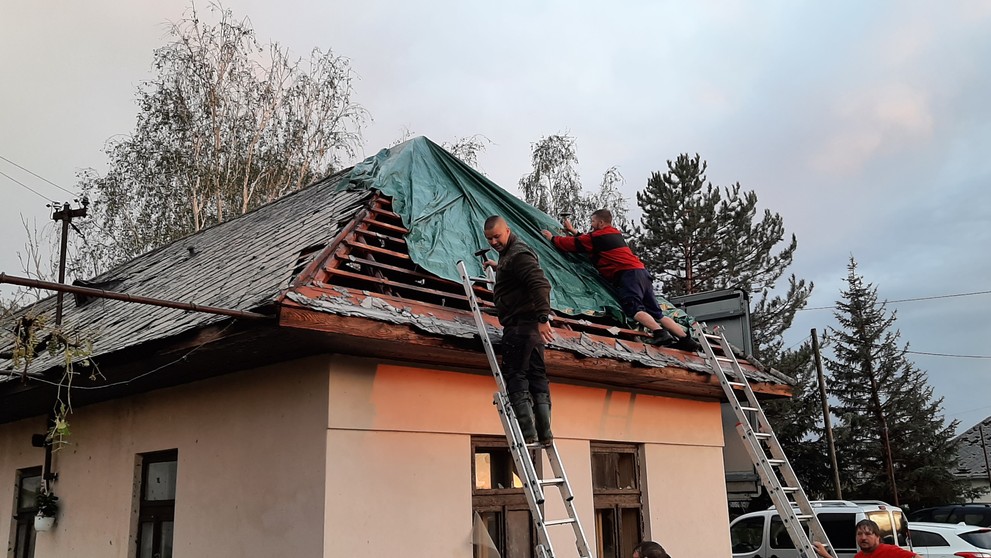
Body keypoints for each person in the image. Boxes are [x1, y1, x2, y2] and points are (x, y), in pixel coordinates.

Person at [541, 208, 700, 351]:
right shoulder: (613, 233)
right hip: (641, 273)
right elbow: (589, 241)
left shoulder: (598, 236)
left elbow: (573, 244)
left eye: (593, 221)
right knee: (657, 312)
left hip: (628, 275)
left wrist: (552, 238)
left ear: (601, 222)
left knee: (634, 308)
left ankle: (660, 333)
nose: (591, 224)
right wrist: (574, 231)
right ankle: (686, 340)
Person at [483, 215, 556, 446]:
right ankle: (544, 433)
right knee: (537, 376)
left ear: (507, 230)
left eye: (496, 236)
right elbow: (518, 272)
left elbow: (540, 283)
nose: (493, 242)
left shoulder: (518, 255)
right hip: (530, 329)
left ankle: (527, 433)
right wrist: (500, 268)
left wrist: (543, 317)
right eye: (489, 239)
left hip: (520, 326)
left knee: (516, 375)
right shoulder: (510, 255)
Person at [813, 519, 919, 558]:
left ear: (877, 536)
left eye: (868, 534)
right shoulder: (859, 556)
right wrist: (826, 555)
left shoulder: (890, 551)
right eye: (859, 534)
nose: (863, 538)